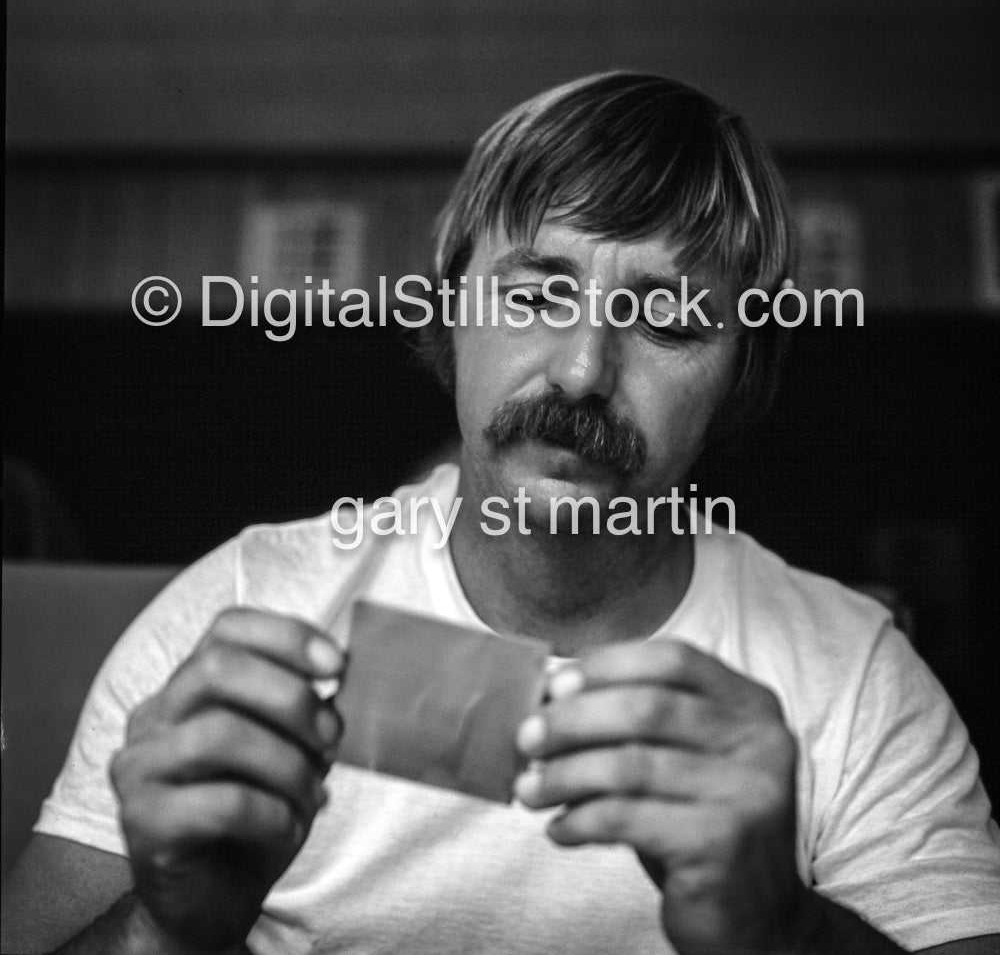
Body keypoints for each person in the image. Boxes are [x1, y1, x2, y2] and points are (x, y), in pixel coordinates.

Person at [3, 72, 999, 955]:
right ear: (450, 314)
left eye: (668, 320)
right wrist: (169, 932)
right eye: (535, 296)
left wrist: (785, 931)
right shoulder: (246, 600)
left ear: (737, 383)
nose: (582, 370)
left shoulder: (857, 674)